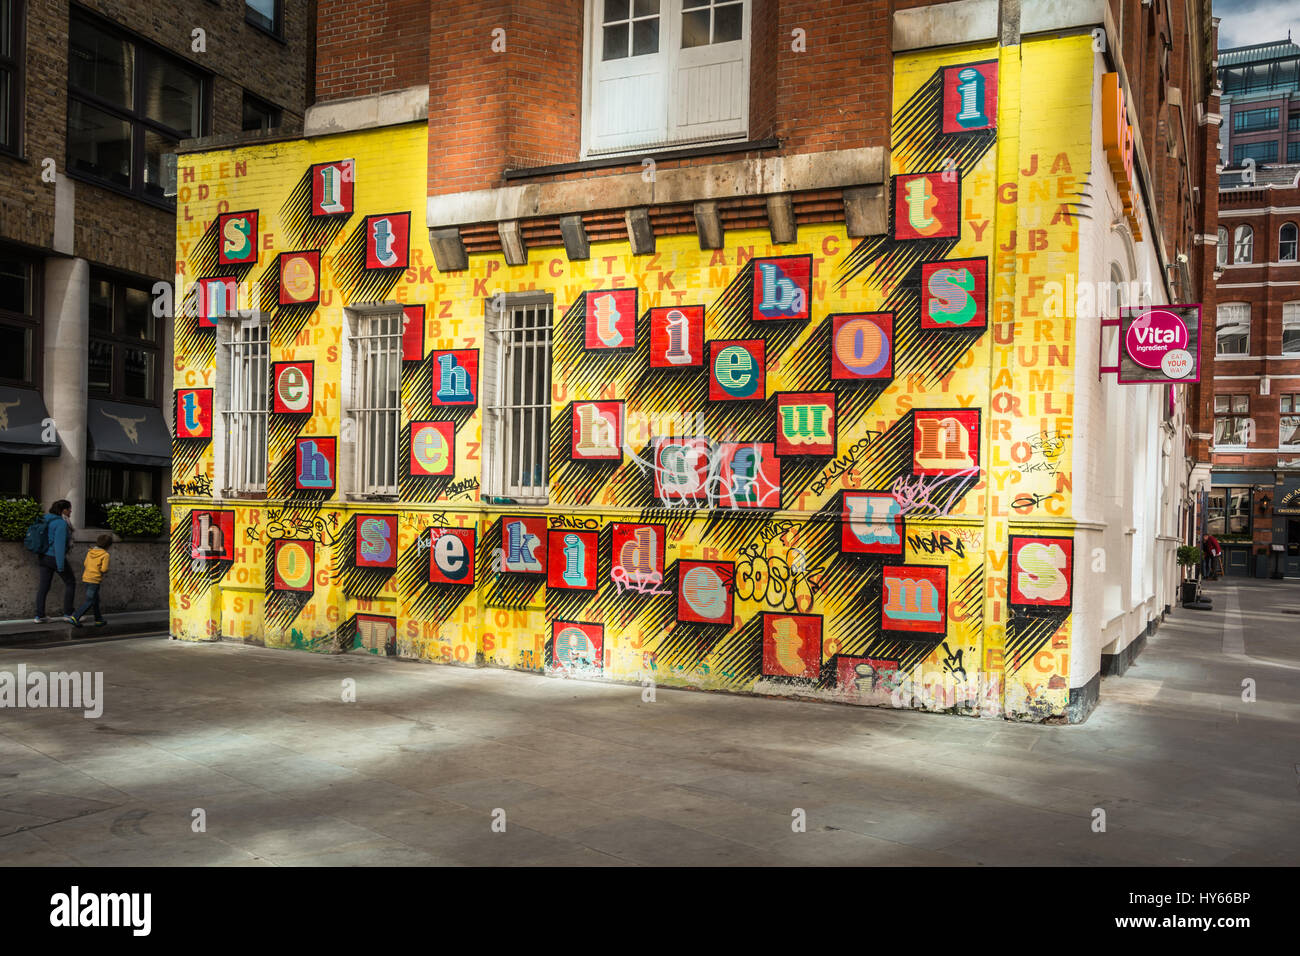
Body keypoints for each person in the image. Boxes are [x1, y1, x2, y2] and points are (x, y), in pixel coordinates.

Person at [34, 499, 76, 622]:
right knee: (70, 582)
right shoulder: (61, 523)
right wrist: (60, 564)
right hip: (54, 557)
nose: (71, 511)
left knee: (44, 586)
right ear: (63, 510)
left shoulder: (45, 518)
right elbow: (59, 545)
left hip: (43, 556)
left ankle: (40, 615)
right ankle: (68, 613)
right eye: (69, 508)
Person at [69, 533, 112, 627]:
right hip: (95, 579)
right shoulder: (105, 555)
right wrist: (103, 570)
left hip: (86, 577)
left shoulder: (90, 552)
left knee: (95, 600)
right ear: (108, 545)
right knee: (90, 601)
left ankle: (98, 619)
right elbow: (104, 569)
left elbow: (85, 563)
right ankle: (75, 617)